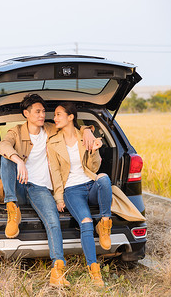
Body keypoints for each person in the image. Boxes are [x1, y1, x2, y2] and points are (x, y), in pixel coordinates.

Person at [0, 94, 96, 287]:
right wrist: (18, 160)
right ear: (26, 114)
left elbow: (73, 127)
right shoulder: (16, 131)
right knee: (6, 158)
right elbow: (3, 145)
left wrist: (87, 131)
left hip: (40, 188)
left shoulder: (50, 129)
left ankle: (57, 271)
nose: (42, 115)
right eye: (37, 111)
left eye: (43, 111)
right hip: (18, 185)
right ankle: (12, 209)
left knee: (53, 222)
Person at [47, 102, 113, 287]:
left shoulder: (84, 137)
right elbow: (56, 173)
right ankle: (95, 271)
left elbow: (93, 168)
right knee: (86, 222)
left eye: (59, 114)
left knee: (104, 178)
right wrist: (59, 198)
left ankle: (105, 223)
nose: (55, 118)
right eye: (55, 115)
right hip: (71, 190)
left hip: (89, 184)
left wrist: (94, 150)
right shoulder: (53, 143)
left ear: (71, 117)